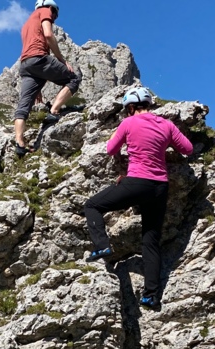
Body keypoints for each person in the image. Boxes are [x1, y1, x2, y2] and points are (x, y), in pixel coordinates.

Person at [83, 86, 193, 309]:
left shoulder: (128, 123)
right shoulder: (167, 125)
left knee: (92, 205)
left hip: (137, 182)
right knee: (150, 241)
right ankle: (151, 296)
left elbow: (111, 149)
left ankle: (102, 246)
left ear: (131, 107)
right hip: (160, 186)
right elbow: (188, 149)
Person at [13, 0, 82, 158]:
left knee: (24, 106)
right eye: (55, 15)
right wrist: (62, 59)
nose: (54, 18)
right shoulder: (45, 11)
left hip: (26, 64)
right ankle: (55, 110)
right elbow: (48, 35)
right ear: (51, 8)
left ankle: (20, 143)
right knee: (73, 78)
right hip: (39, 58)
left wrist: (38, 86)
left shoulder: (26, 24)